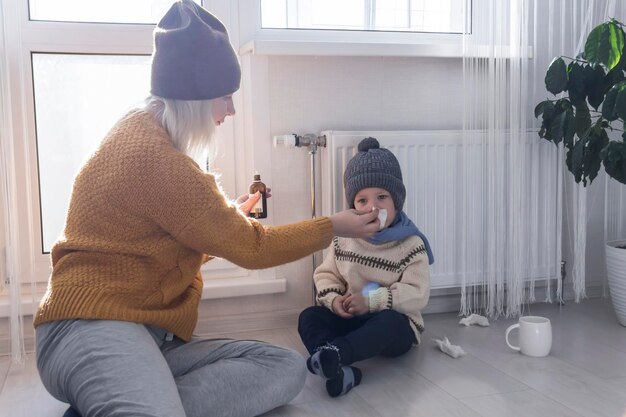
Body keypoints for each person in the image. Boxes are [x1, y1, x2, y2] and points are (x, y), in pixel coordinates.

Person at [33, 2, 381, 417]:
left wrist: (225, 217)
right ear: (194, 97)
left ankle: (118, 398)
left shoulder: (140, 128)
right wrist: (334, 226)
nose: (230, 111)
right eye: (225, 97)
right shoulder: (155, 159)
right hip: (89, 326)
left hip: (145, 334)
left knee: (284, 366)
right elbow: (255, 250)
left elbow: (157, 235)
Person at [297, 137, 434, 398]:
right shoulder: (344, 238)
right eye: (362, 201)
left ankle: (335, 353)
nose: (373, 207)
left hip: (393, 324)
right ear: (353, 206)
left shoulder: (410, 243)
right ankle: (337, 366)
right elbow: (326, 274)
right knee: (309, 316)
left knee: (391, 323)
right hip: (352, 318)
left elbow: (417, 293)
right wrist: (335, 300)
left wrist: (371, 301)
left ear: (397, 201)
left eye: (382, 197)